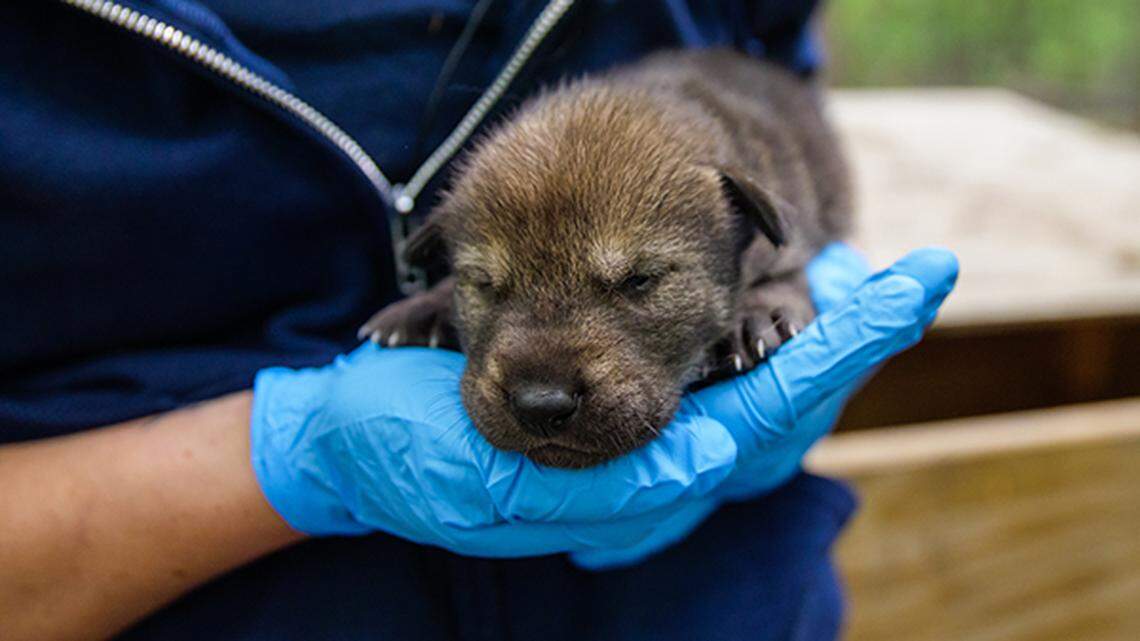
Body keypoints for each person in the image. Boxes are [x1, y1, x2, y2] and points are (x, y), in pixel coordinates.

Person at [0, 1, 958, 640]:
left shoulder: (726, 182)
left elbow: (784, 108)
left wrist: (782, 293)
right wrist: (285, 461)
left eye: (634, 287)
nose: (541, 381)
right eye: (482, 286)